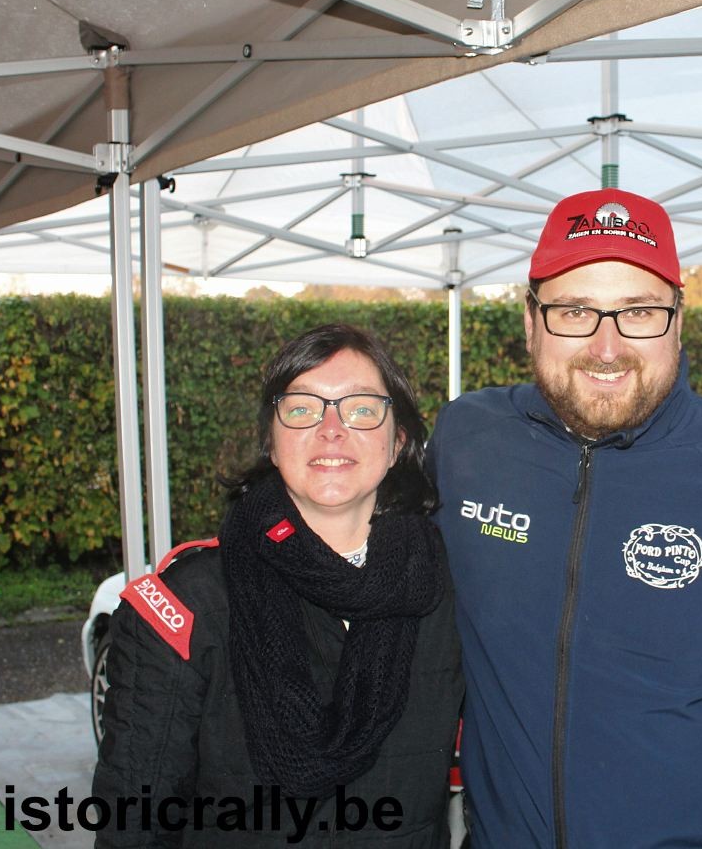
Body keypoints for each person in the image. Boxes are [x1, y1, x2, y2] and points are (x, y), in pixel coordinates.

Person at [428, 190, 702, 848]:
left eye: (638, 312)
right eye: (575, 310)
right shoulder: (468, 441)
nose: (608, 348)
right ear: (529, 320)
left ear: (679, 320)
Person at [92, 323, 462, 848]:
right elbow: (135, 819)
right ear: (271, 439)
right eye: (302, 408)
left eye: (360, 409)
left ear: (398, 439)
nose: (331, 429)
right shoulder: (191, 601)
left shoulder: (446, 586)